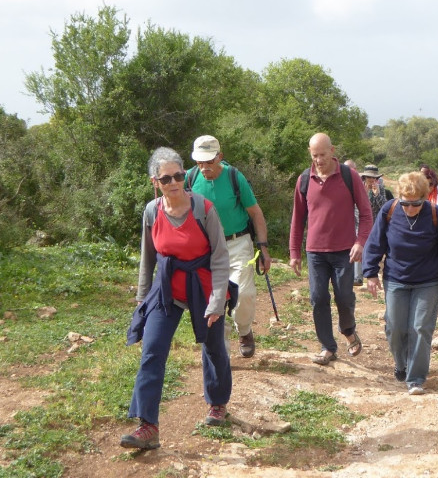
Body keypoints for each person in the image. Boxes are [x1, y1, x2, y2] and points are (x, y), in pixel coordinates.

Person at [122, 147, 232, 450]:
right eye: (166, 177)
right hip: (167, 288)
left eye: (179, 175)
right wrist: (143, 301)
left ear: (185, 176)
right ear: (155, 181)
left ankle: (218, 402)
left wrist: (217, 301)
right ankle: (148, 426)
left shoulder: (203, 209)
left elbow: (221, 259)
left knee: (213, 348)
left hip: (203, 284)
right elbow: (148, 259)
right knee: (153, 351)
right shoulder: (151, 211)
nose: (174, 182)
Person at [363, 172, 438, 395]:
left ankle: (415, 378)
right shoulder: (389, 210)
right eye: (406, 203)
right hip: (396, 278)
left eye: (416, 204)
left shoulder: (435, 214)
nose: (410, 209)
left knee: (420, 328)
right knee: (395, 327)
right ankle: (401, 363)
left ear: (425, 198)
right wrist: (370, 273)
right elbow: (375, 242)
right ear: (399, 198)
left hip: (428, 281)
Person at [290, 133, 373, 364]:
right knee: (318, 298)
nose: (318, 160)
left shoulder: (349, 176)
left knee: (344, 297)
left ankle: (348, 330)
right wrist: (294, 252)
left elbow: (366, 215)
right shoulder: (304, 180)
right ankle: (328, 346)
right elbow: (297, 219)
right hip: (315, 252)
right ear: (310, 153)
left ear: (332, 150)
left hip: (344, 250)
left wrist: (360, 242)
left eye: (323, 155)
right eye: (314, 155)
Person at [187, 135, 271, 358]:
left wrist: (263, 248)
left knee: (244, 293)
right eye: (200, 162)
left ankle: (244, 330)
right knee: (214, 298)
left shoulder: (235, 177)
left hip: (237, 242)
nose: (204, 168)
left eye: (209, 162)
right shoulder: (189, 178)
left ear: (220, 157)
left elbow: (255, 213)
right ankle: (219, 349)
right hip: (206, 247)